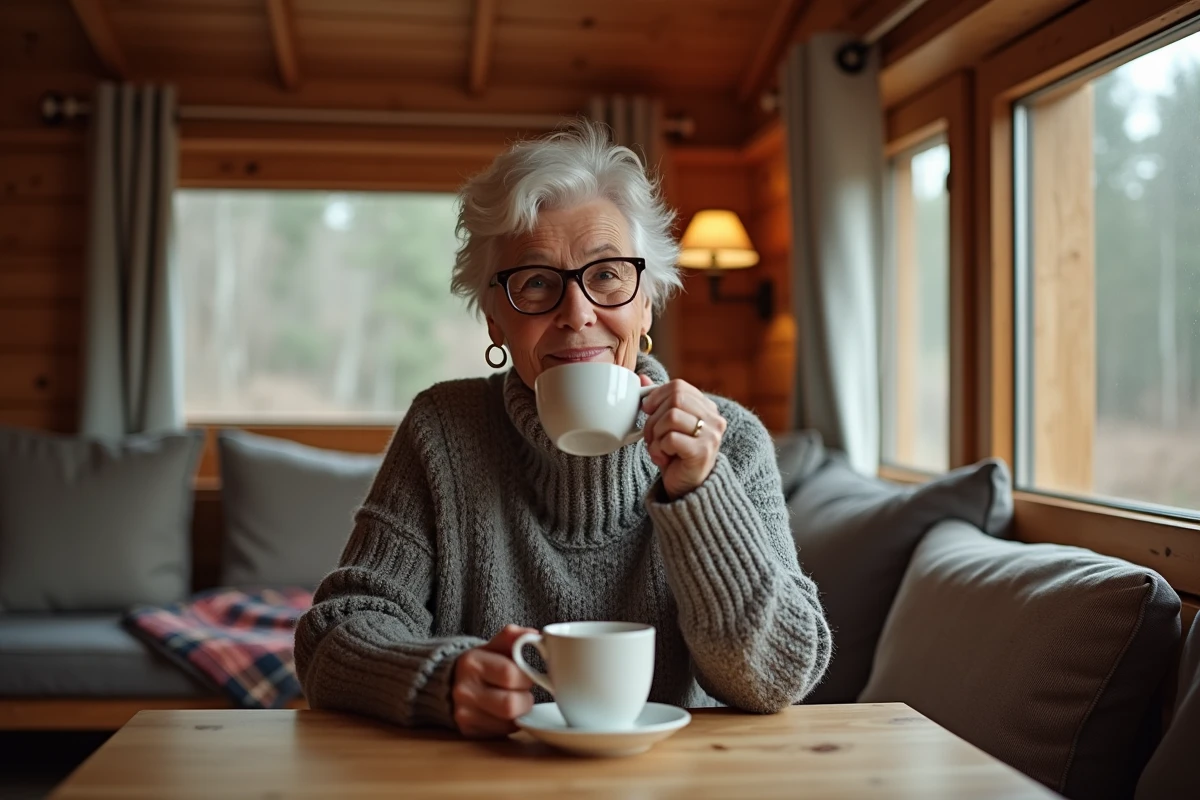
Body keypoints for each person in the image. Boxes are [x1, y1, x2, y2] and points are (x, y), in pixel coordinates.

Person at [294, 119, 831, 739]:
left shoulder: (727, 442)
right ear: (495, 319)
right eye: (536, 283)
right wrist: (442, 677)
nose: (577, 314)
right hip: (482, 775)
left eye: (606, 275)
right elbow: (334, 633)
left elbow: (777, 677)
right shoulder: (443, 431)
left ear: (646, 302)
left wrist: (700, 493)